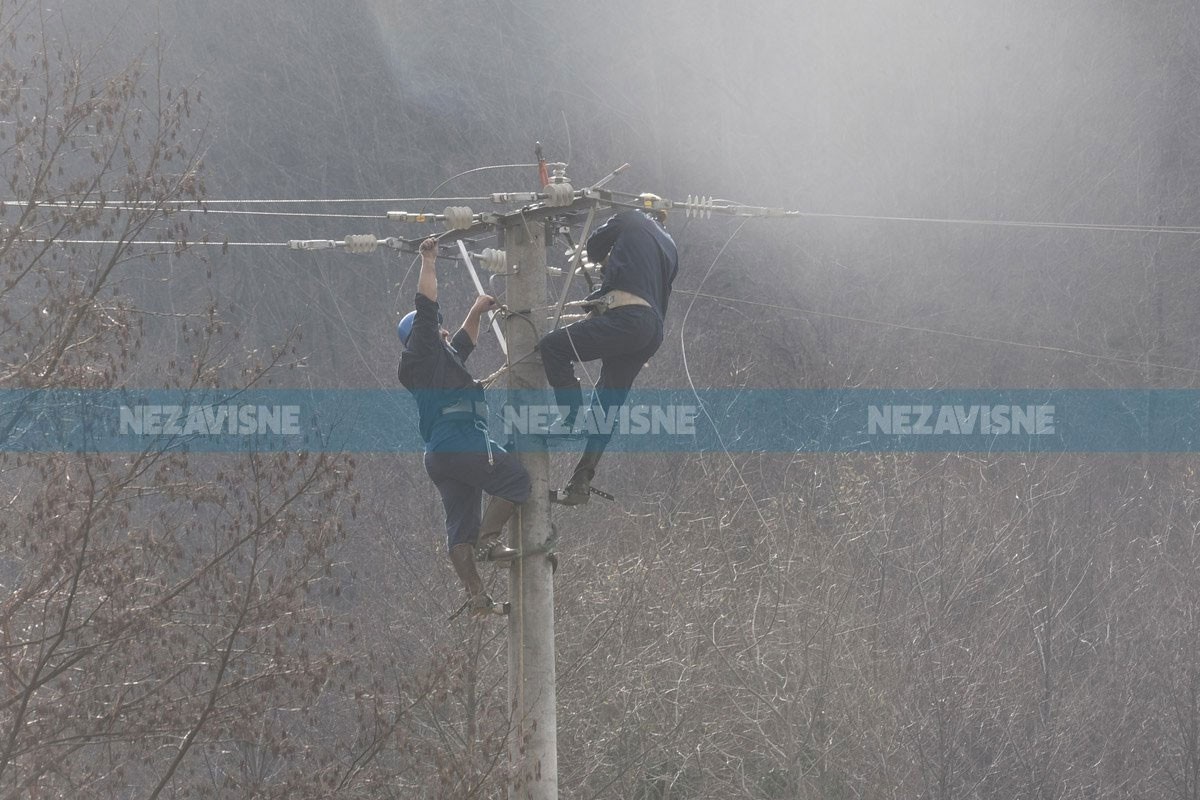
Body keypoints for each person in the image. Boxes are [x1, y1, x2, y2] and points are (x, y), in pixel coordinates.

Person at [398, 236, 531, 618]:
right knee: (516, 480)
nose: (442, 332)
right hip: (461, 439)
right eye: (436, 329)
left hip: (442, 453)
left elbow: (462, 344)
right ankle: (490, 542)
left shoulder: (434, 360)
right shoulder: (421, 349)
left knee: (460, 527)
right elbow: (426, 307)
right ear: (421, 335)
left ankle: (476, 595)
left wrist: (476, 310)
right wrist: (428, 260)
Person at [538, 195, 679, 505]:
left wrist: (605, 262)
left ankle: (570, 418)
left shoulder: (633, 218)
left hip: (628, 318)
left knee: (553, 347)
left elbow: (595, 244)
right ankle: (581, 481)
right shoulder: (670, 248)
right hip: (651, 331)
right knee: (607, 404)